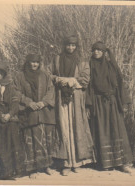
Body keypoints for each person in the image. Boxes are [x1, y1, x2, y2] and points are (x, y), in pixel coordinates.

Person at [48, 35, 95, 176]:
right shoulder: (57, 59)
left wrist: (70, 81)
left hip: (76, 97)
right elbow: (48, 74)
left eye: (73, 45)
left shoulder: (82, 62)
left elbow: (85, 79)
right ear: (64, 46)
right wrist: (59, 79)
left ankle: (77, 163)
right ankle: (66, 163)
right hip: (61, 98)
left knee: (76, 126)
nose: (70, 48)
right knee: (64, 127)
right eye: (68, 45)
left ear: (76, 47)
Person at [86, 41, 133, 173]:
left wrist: (123, 102)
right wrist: (88, 106)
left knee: (117, 130)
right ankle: (105, 163)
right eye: (94, 50)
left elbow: (119, 82)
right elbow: (88, 87)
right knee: (102, 131)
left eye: (99, 50)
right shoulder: (90, 65)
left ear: (104, 52)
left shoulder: (111, 66)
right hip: (98, 102)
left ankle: (122, 163)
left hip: (112, 102)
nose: (96, 52)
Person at [14, 54, 58, 177]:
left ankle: (47, 165)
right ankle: (32, 169)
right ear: (27, 62)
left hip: (45, 112)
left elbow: (51, 90)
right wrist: (29, 103)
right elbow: (16, 92)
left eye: (36, 62)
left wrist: (43, 102)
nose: (34, 64)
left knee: (46, 139)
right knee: (31, 139)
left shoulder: (45, 75)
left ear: (39, 63)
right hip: (29, 113)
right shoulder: (19, 76)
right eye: (32, 62)